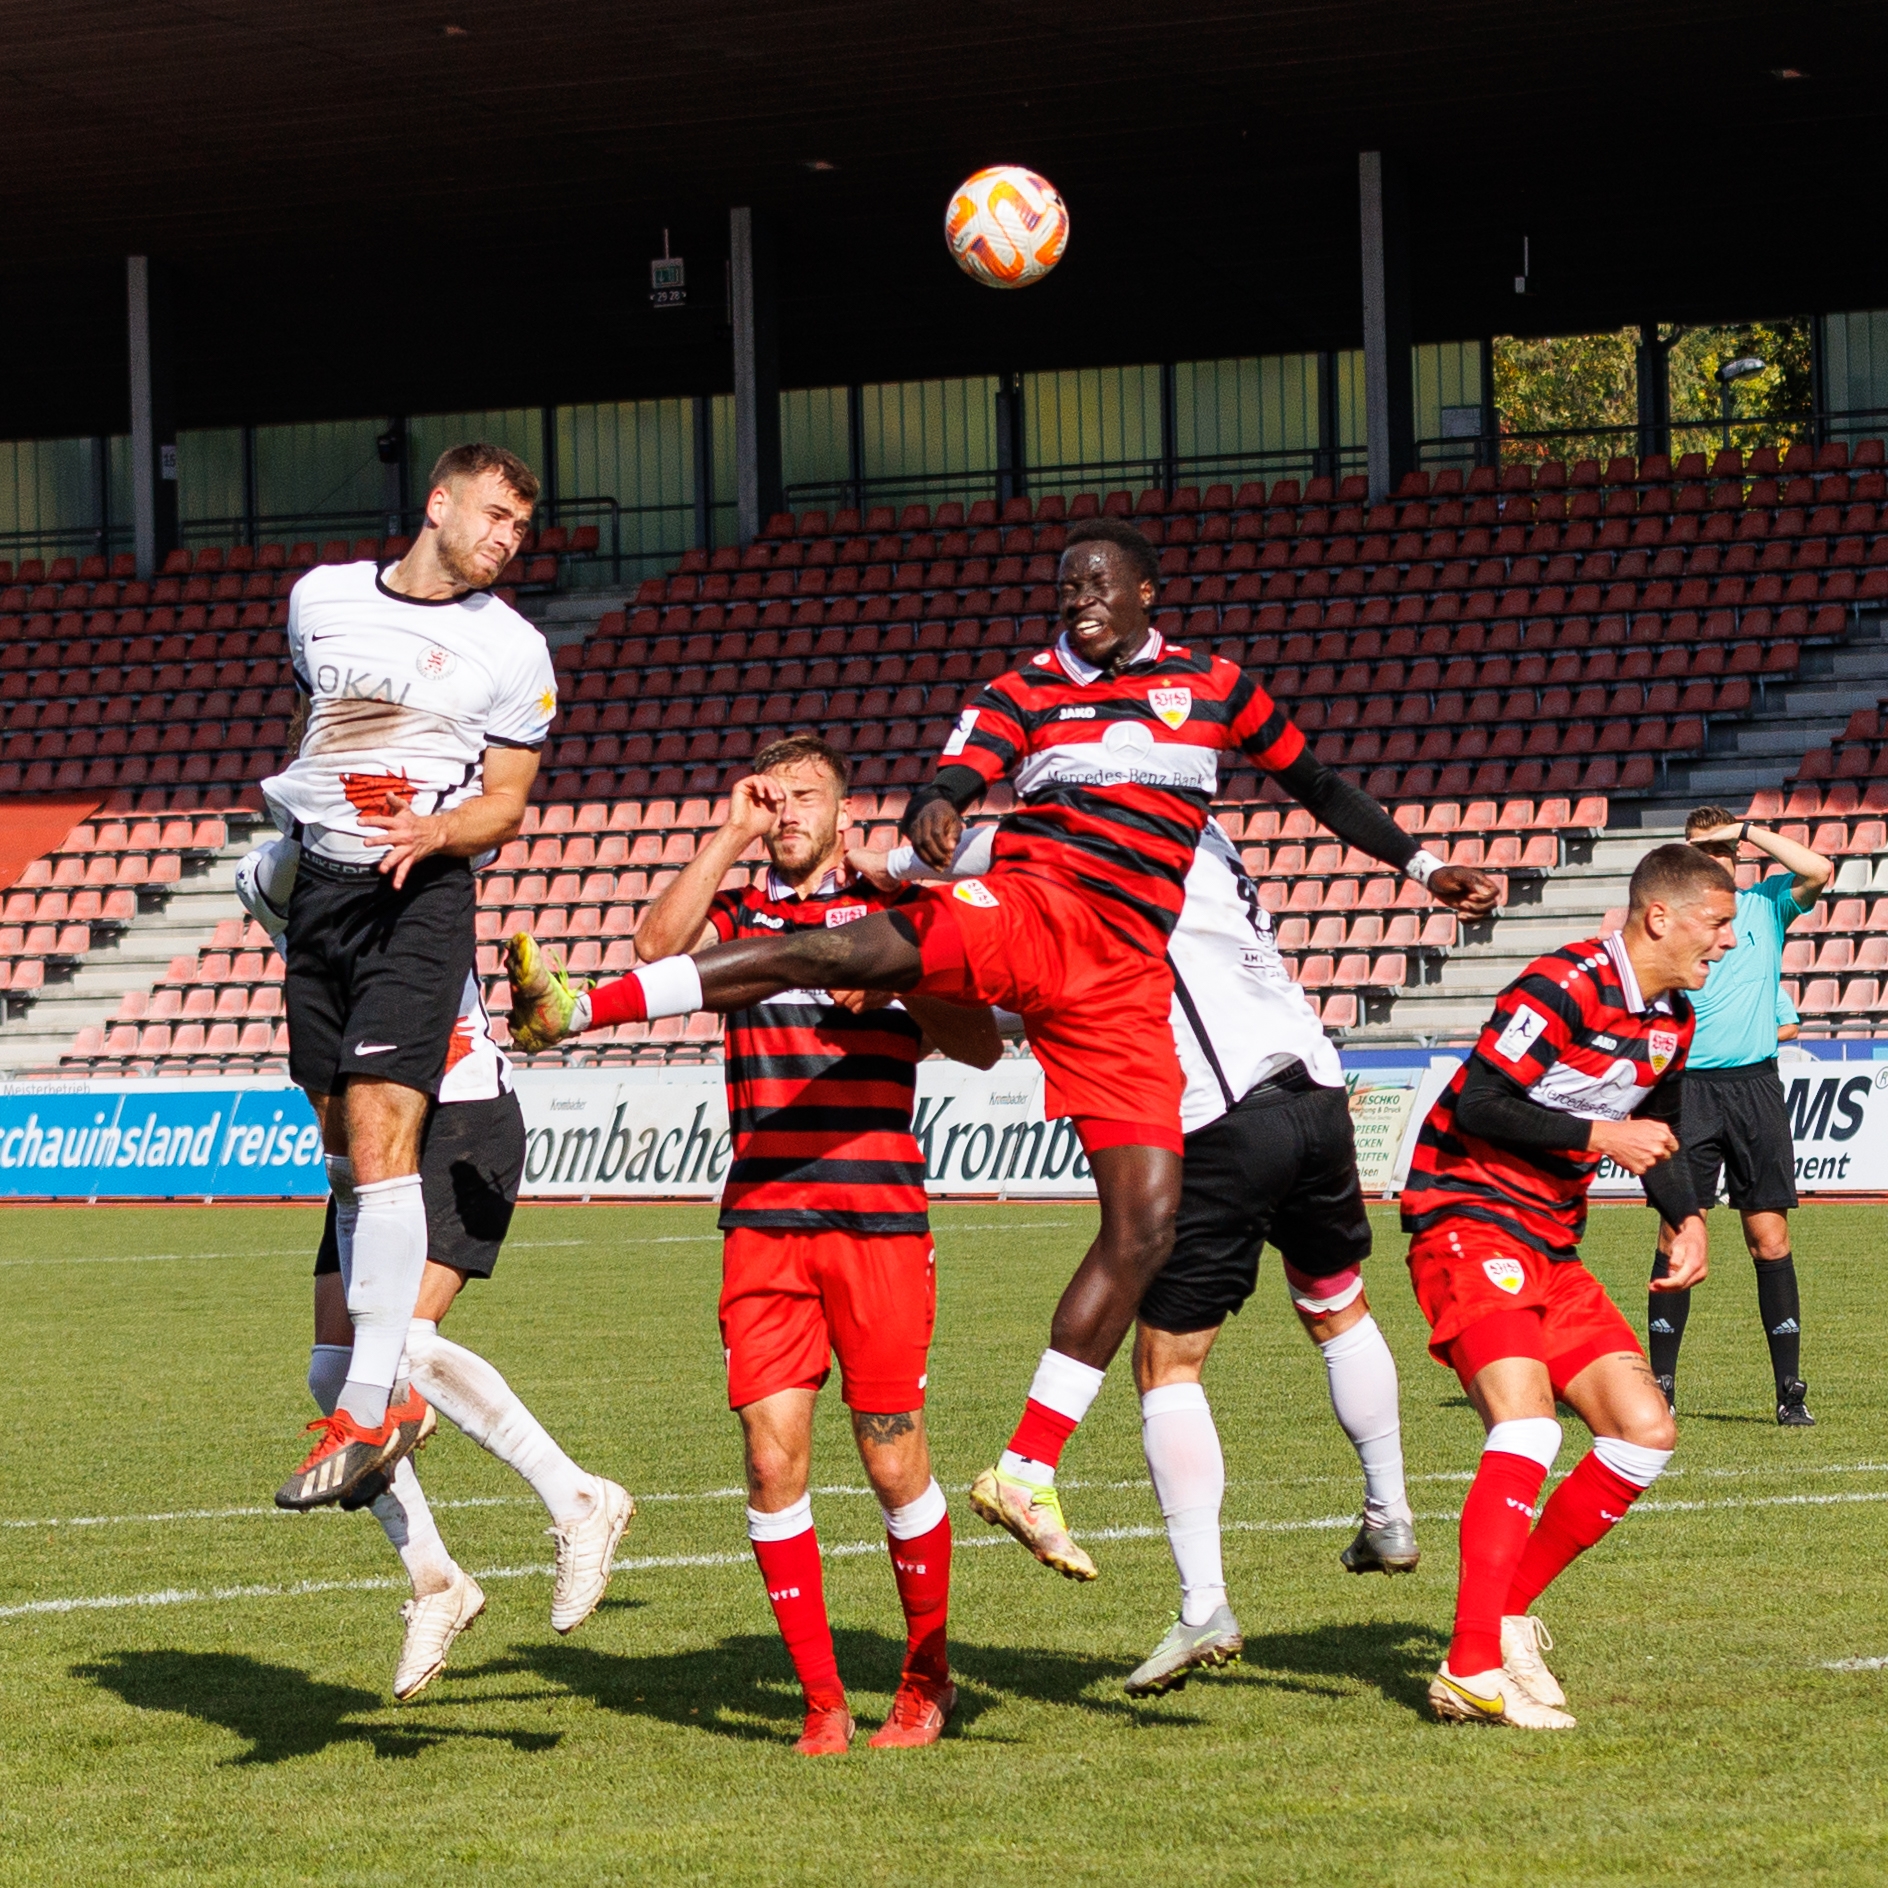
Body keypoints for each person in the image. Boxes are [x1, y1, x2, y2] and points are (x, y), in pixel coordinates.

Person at [509, 518, 1497, 1582]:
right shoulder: (1024, 687)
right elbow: (960, 766)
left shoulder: (1216, 687)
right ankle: (580, 1005)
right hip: (1037, 907)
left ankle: (1027, 1465)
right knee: (837, 941)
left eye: (1096, 581)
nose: (1076, 596)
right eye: (1064, 583)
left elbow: (1318, 785)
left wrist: (1420, 864)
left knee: (1148, 1218)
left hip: (1124, 971)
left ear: (1146, 592)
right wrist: (939, 805)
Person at [852, 813, 1419, 1697]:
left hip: (1218, 1109)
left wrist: (873, 871)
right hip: (1314, 1086)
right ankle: (1390, 1513)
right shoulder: (1204, 832)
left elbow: (953, 847)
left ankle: (1201, 1603)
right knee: (1335, 1300)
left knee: (1168, 1365)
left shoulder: (1100, 822)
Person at [514, 734, 1000, 1754]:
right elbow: (656, 948)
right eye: (771, 801)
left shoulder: (893, 918)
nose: (787, 815)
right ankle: (821, 1698)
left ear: (844, 813)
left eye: (805, 798)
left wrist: (904, 984)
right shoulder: (739, 916)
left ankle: (925, 1677)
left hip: (878, 1222)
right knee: (771, 1463)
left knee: (891, 1457)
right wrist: (726, 831)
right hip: (764, 1223)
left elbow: (983, 1040)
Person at [237, 838, 633, 1702]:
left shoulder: (395, 850)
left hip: (460, 1121)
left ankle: (578, 1499)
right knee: (335, 1370)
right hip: (381, 1144)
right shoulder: (285, 872)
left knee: (403, 1346)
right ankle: (435, 1581)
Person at [263, 443, 557, 1510]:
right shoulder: (320, 601)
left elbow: (508, 803)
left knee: (384, 1140)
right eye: (493, 515)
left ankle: (373, 1399)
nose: (506, 538)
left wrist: (439, 829)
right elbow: (314, 723)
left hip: (418, 896)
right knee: (343, 1150)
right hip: (324, 898)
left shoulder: (514, 648)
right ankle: (370, 1401)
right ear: (438, 503)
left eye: (520, 527)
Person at [1398, 843, 1736, 1729]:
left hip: (1551, 1243)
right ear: (1660, 915)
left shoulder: (1674, 1017)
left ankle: (1500, 1616)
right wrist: (1595, 1138)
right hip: (1467, 1215)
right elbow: (1480, 1103)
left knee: (1645, 1432)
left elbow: (1656, 1124)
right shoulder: (1565, 982)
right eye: (1719, 921)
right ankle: (1470, 1669)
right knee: (1529, 1423)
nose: (1728, 941)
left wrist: (1685, 1214)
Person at [1646, 809, 1831, 1425]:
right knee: (1676, 1235)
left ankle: (1789, 1392)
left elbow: (1820, 868)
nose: (1719, 863)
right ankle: (1661, 1388)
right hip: (1687, 1092)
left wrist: (1745, 830)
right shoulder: (1675, 921)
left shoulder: (1767, 904)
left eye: (1726, 853)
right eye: (1707, 854)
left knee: (1768, 1238)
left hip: (1754, 1089)